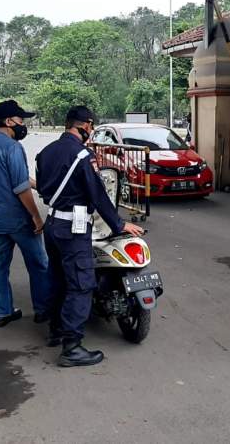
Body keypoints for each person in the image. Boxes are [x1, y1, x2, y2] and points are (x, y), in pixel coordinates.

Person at [36, 105, 144, 367]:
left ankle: (55, 330)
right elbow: (98, 194)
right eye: (91, 127)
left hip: (52, 223)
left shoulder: (46, 152)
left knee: (57, 277)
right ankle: (71, 348)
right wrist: (119, 224)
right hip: (73, 229)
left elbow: (43, 189)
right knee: (81, 284)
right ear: (85, 126)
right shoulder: (83, 156)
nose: (91, 131)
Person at [0, 100, 50, 328]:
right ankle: (43, 309)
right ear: (9, 121)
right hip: (18, 219)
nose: (23, 125)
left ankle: (3, 312)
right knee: (39, 263)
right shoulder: (13, 147)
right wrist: (36, 216)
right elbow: (20, 187)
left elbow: (14, 177)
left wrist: (40, 185)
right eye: (21, 120)